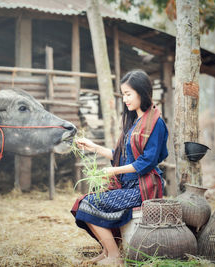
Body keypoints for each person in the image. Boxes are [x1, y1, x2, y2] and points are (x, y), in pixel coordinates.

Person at [71, 69, 169, 265]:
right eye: (123, 94)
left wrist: (113, 171)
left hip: (144, 188)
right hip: (129, 186)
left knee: (88, 204)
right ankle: (108, 251)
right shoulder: (134, 122)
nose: (124, 99)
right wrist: (94, 147)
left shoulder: (155, 123)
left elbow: (146, 162)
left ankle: (115, 257)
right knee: (85, 202)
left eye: (128, 94)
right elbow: (122, 157)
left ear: (142, 92)